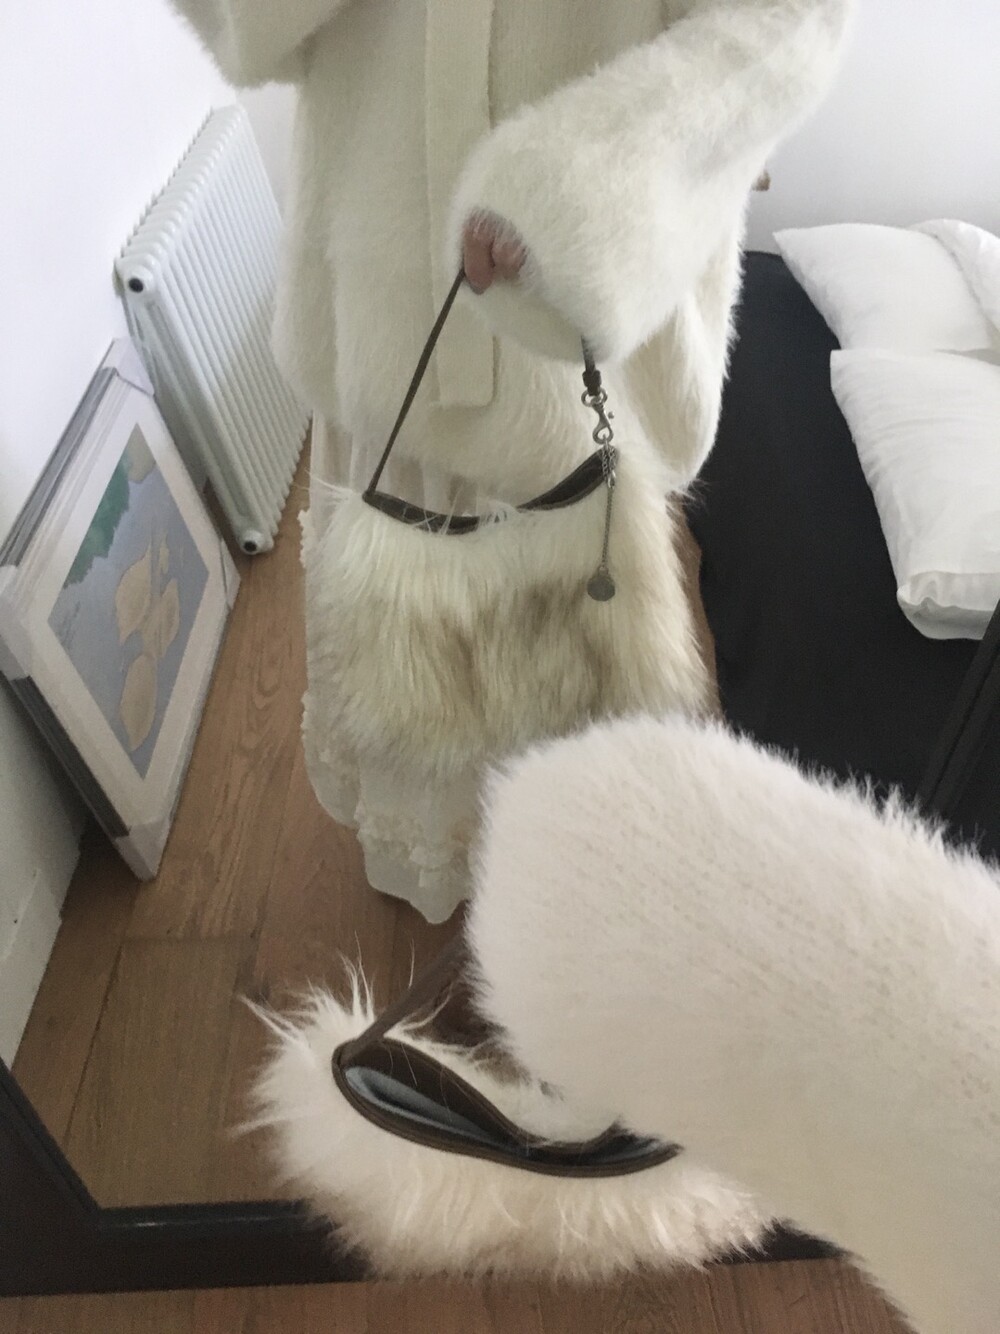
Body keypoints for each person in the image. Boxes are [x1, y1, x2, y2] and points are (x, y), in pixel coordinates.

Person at [169, 0, 854, 921]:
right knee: (405, 635)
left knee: (575, 659)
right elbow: (246, 28)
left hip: (578, 308)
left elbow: (791, 20)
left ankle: (566, 879)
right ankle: (448, 865)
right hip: (382, 282)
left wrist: (581, 183)